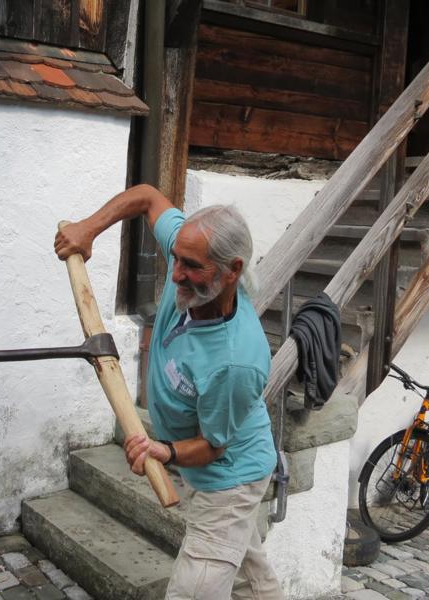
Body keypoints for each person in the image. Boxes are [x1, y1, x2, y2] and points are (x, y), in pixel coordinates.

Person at [55, 184, 283, 600]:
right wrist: (89, 228)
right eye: (175, 257)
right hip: (212, 461)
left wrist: (167, 452)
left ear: (231, 270)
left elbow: (213, 447)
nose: (175, 272)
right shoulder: (191, 250)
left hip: (229, 479)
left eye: (191, 266)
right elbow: (147, 197)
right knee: (251, 578)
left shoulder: (235, 360)